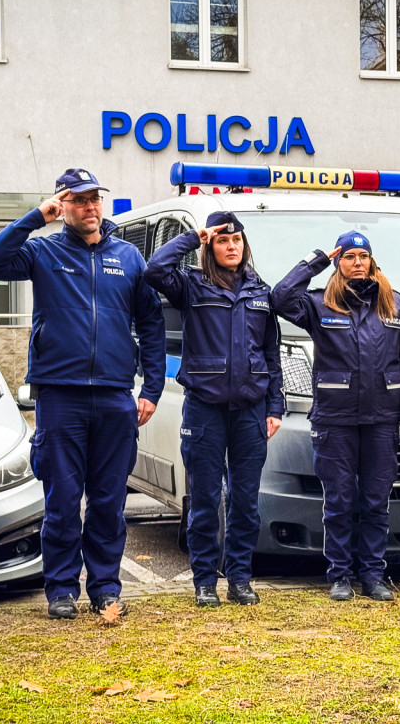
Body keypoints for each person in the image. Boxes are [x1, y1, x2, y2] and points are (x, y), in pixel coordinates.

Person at [0, 168, 165, 620]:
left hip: (117, 396)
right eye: (79, 200)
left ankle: (105, 588)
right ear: (63, 206)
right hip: (61, 396)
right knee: (62, 501)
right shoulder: (43, 250)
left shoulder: (128, 258)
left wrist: (151, 389)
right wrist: (34, 217)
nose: (91, 207)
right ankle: (61, 589)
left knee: (108, 502)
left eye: (95, 198)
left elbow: (152, 325)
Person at [271, 231, 400, 601]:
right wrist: (316, 260)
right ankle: (339, 574)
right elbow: (279, 297)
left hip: (382, 419)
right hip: (334, 420)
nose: (358, 262)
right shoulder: (319, 303)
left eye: (363, 256)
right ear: (339, 262)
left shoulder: (395, 305)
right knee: (339, 501)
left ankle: (373, 575)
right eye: (350, 256)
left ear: (372, 262)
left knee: (375, 501)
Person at [144, 212, 284, 607]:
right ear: (211, 246)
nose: (232, 246)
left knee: (245, 501)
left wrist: (275, 406)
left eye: (237, 239)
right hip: (204, 410)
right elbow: (155, 269)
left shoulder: (261, 292)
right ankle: (205, 580)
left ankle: (239, 578)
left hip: (251, 412)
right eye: (223, 240)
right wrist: (194, 237)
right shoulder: (190, 284)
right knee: (205, 499)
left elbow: (270, 354)